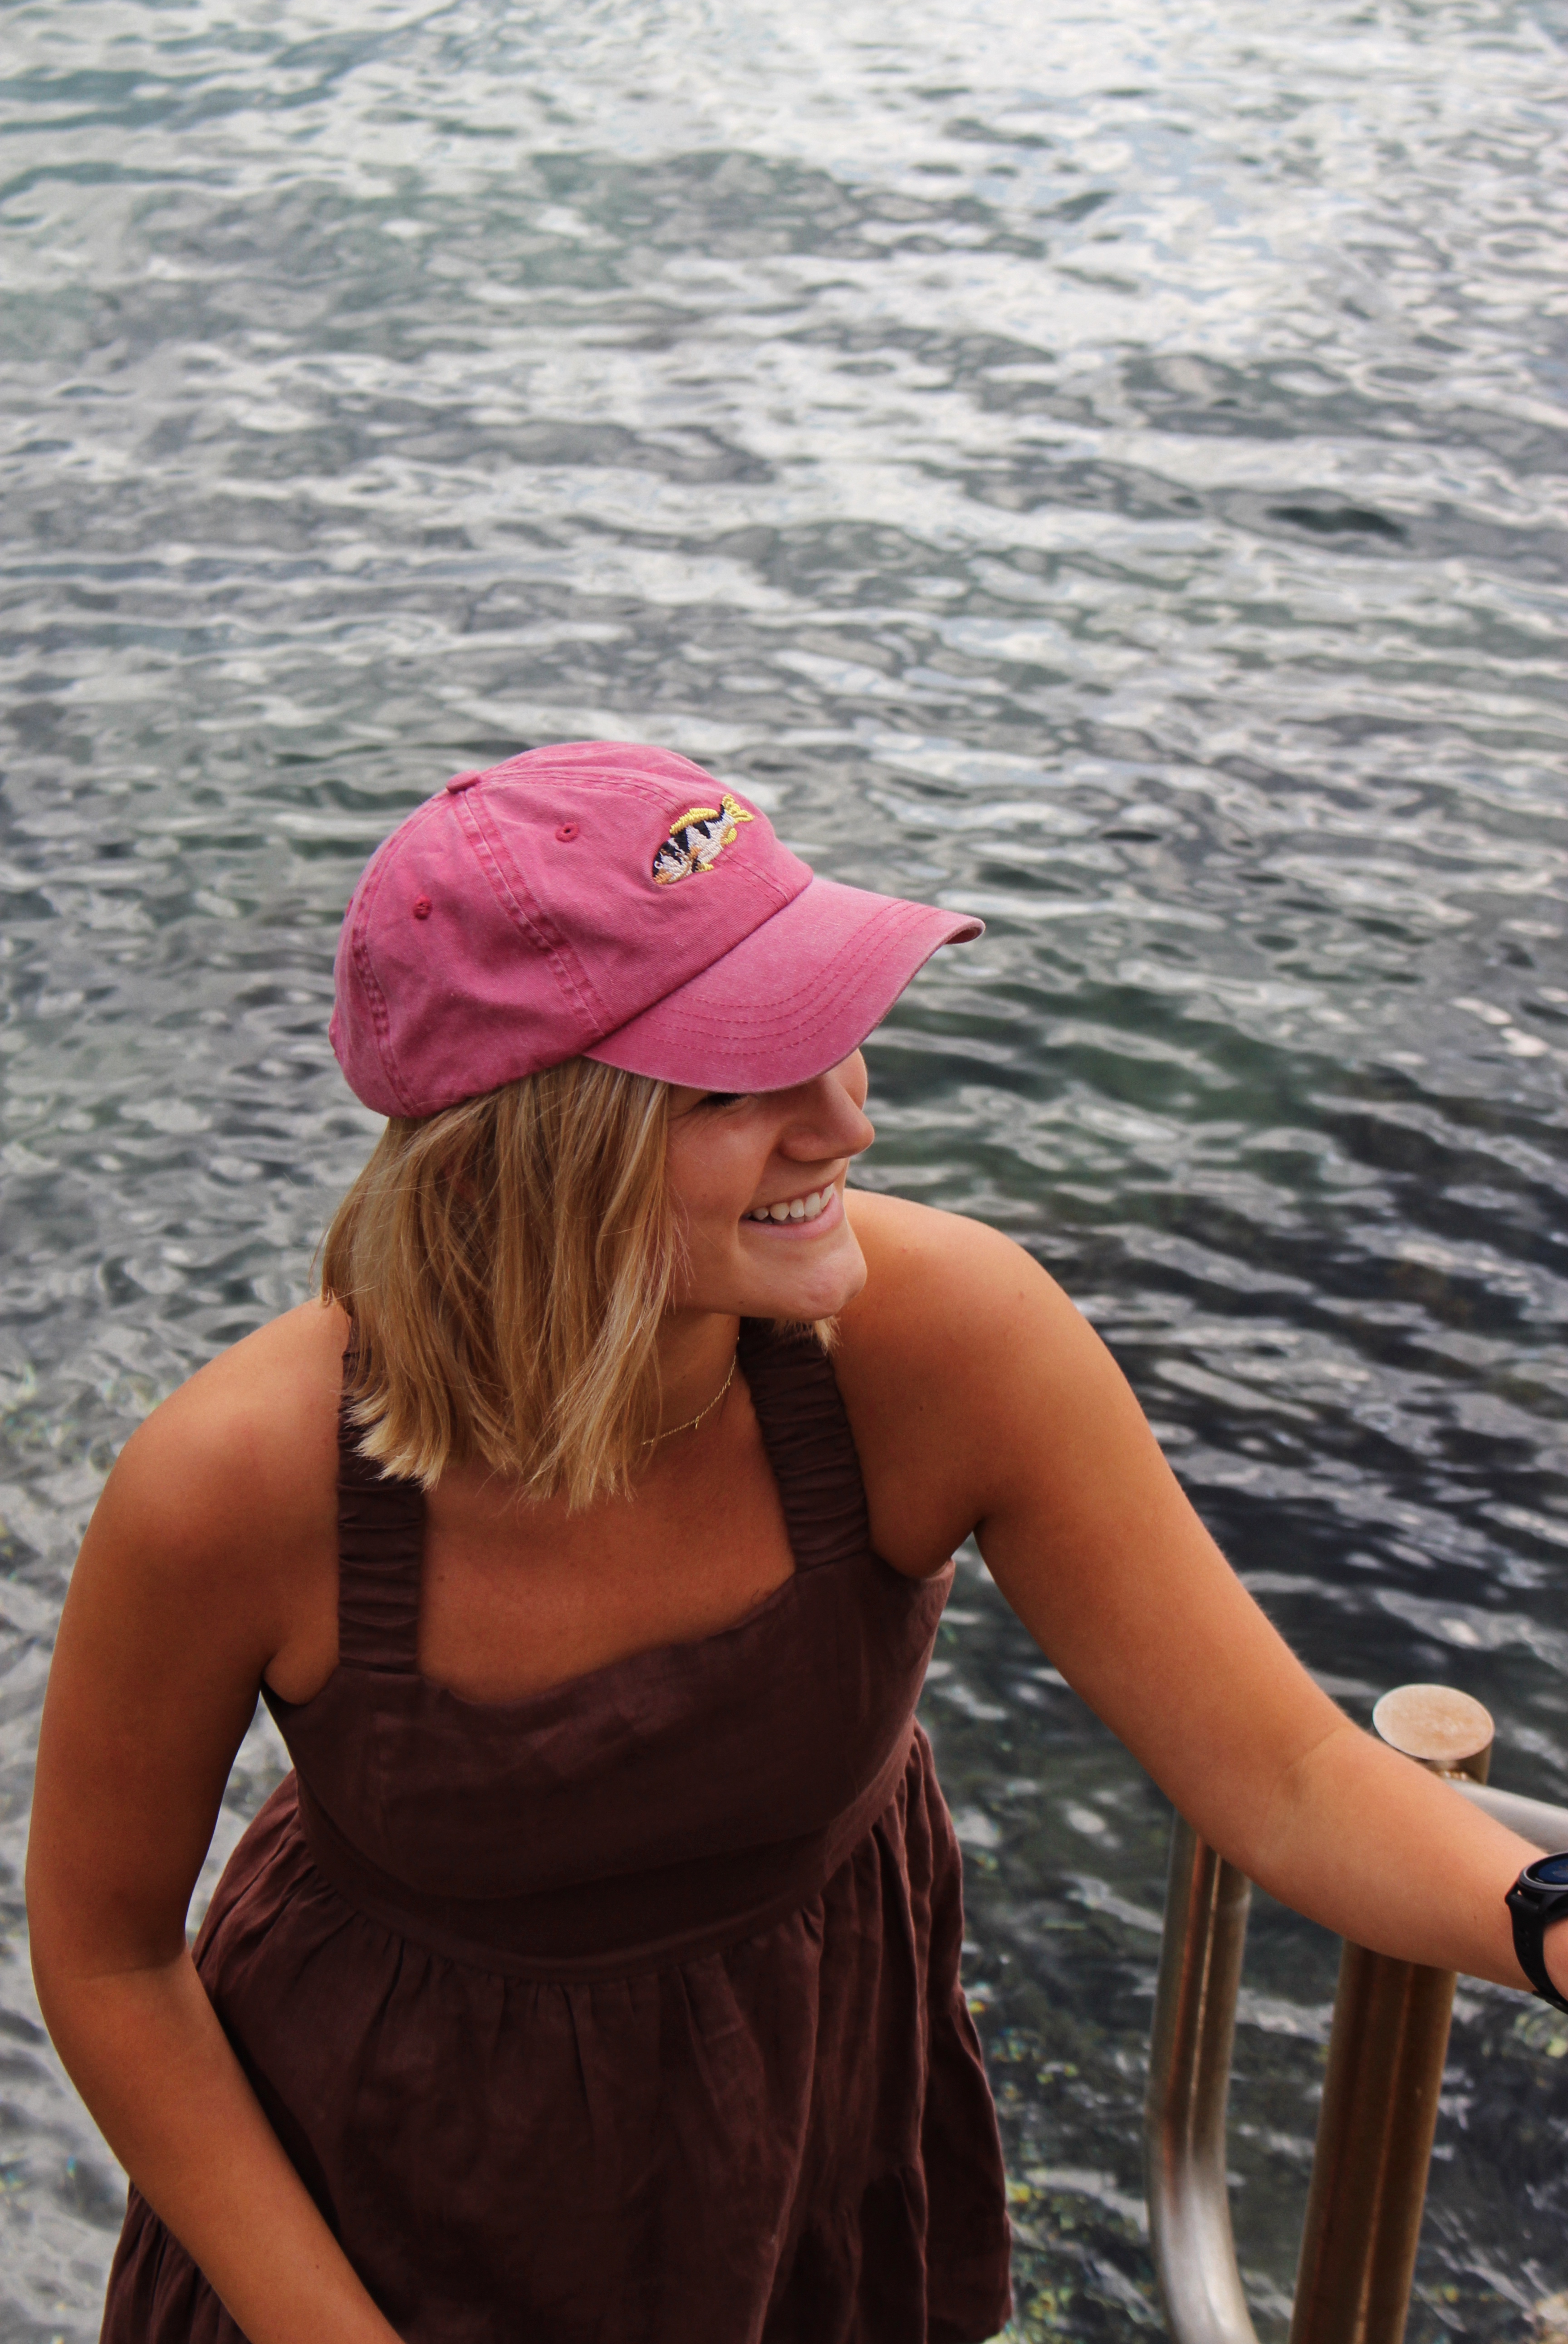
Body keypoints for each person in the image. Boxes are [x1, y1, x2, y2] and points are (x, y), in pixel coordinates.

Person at [25, 741, 1568, 2344]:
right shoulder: (231, 1487)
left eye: (833, 1036)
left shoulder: (953, 1343)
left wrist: (1549, 1911)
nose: (845, 1123)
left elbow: (1292, 1777)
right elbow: (109, 1959)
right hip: (372, 2220)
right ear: (531, 1146)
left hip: (805, 2179)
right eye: (741, 1079)